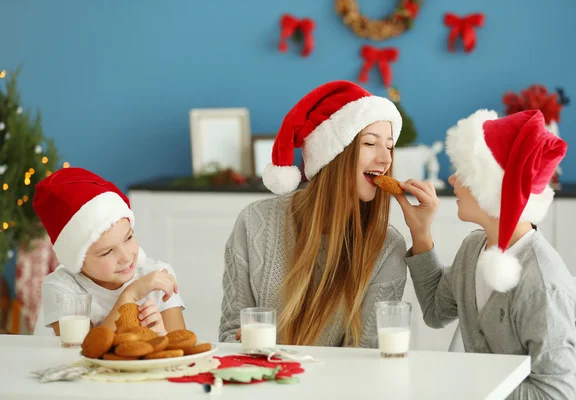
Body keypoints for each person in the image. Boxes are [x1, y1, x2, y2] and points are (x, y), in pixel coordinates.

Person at [396, 109, 576, 399]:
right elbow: (435, 311)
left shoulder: (542, 285)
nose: (454, 179)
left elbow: (556, 395)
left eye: (466, 172)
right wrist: (421, 234)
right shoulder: (474, 249)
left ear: (494, 189)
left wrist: (469, 382)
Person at [219, 80, 407, 348]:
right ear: (333, 155)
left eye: (389, 146)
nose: (386, 159)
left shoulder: (387, 247)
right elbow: (230, 333)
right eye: (369, 143)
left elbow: (368, 361)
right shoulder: (254, 223)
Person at [34, 167, 186, 336]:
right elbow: (83, 353)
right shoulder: (62, 289)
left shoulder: (157, 276)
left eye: (128, 238)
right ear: (78, 260)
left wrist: (161, 335)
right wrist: (130, 295)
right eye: (107, 252)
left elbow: (182, 348)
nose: (126, 257)